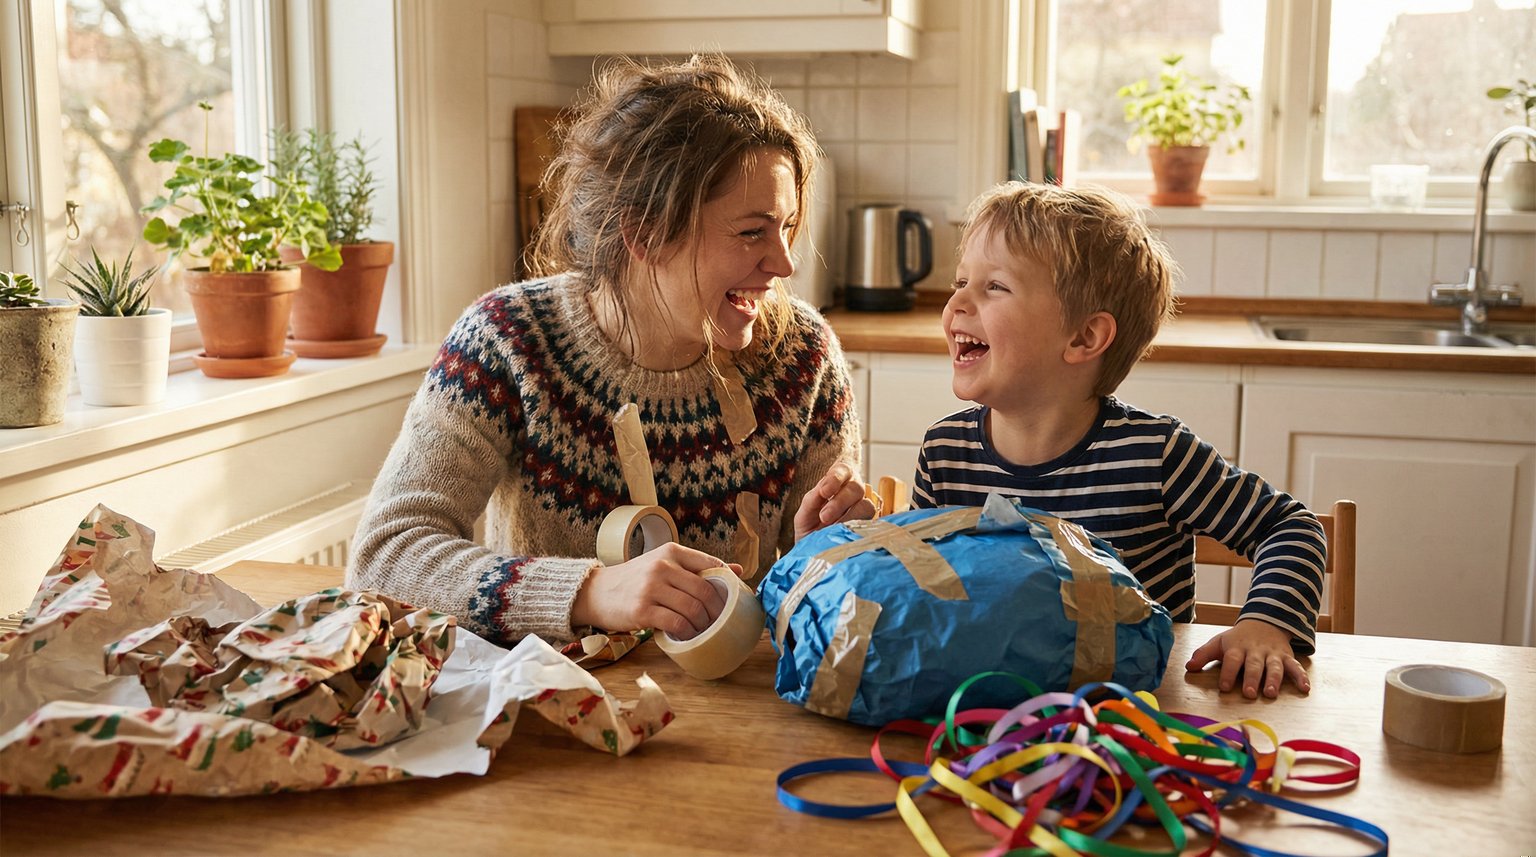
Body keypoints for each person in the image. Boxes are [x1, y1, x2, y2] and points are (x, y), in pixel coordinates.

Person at [349, 54, 870, 648]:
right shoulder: (508, 341)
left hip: (737, 717)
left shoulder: (802, 358)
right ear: (645, 233)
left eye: (787, 227)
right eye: (753, 231)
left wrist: (833, 558)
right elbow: (383, 558)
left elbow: (826, 613)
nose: (785, 262)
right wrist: (591, 592)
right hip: (549, 706)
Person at [912, 181, 1326, 700]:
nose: (956, 304)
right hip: (991, 713)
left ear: (1084, 338)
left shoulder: (1157, 455)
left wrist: (1266, 623)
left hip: (1134, 725)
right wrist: (852, 543)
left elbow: (1290, 527)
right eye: (961, 281)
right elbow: (922, 586)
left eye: (994, 286)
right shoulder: (945, 453)